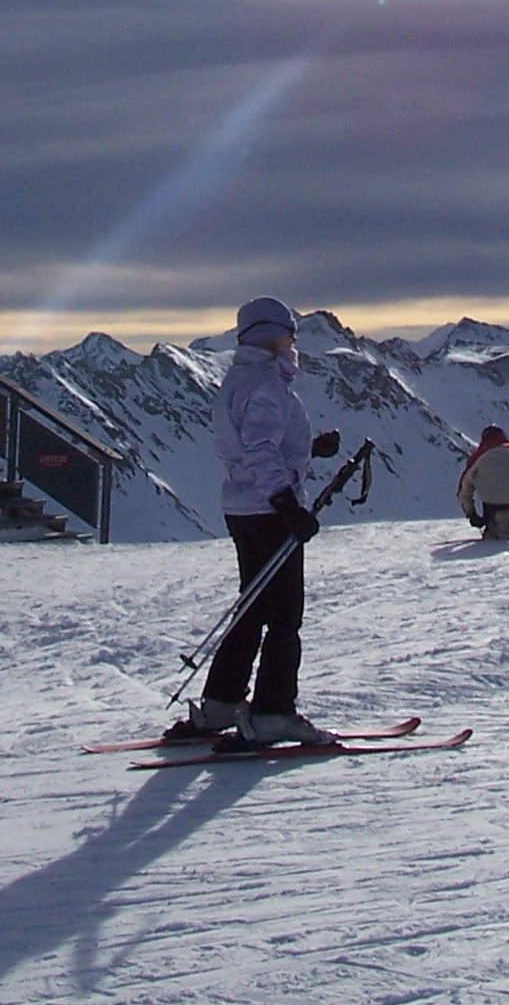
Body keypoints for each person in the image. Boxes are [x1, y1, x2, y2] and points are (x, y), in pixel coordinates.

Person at [180, 296, 341, 747]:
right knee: (284, 615)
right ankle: (273, 712)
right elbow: (260, 449)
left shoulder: (241, 377)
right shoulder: (268, 383)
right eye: (289, 334)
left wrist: (311, 447)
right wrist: (287, 505)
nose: (293, 343)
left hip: (242, 508)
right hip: (269, 511)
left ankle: (221, 705)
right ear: (271, 336)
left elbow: (255, 442)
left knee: (251, 608)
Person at [458, 425, 509, 540]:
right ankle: (504, 521)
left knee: (491, 498)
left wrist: (472, 514)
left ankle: (494, 524)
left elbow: (465, 490)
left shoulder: (478, 456)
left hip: (491, 501)